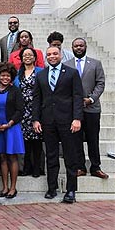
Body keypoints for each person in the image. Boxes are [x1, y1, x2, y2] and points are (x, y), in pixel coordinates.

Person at [33, 46, 83, 203]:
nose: (52, 56)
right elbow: (37, 99)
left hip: (68, 121)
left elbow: (77, 97)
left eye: (55, 54)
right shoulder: (41, 75)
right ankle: (52, 188)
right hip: (48, 121)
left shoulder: (72, 73)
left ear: (61, 55)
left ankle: (70, 190)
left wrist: (77, 118)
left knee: (70, 156)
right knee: (51, 155)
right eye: (49, 54)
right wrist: (36, 119)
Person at [65, 38, 108, 179]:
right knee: (76, 139)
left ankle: (95, 167)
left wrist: (91, 99)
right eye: (76, 46)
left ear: (85, 47)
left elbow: (100, 83)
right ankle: (80, 167)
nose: (78, 48)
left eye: (81, 45)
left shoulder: (95, 64)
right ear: (72, 47)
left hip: (92, 108)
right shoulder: (67, 65)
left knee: (92, 138)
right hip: (74, 109)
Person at [0, 62, 25, 199]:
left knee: (12, 156)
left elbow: (20, 110)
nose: (5, 78)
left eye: (8, 76)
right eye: (2, 75)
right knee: (2, 157)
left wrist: (9, 124)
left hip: (11, 128)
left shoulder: (15, 91)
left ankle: (13, 187)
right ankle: (4, 187)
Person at [13, 47, 43, 177]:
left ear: (35, 57)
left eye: (30, 55)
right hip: (23, 111)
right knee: (25, 140)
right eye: (25, 55)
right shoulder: (18, 73)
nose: (27, 57)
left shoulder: (41, 72)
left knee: (37, 140)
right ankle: (26, 167)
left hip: (37, 109)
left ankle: (37, 168)